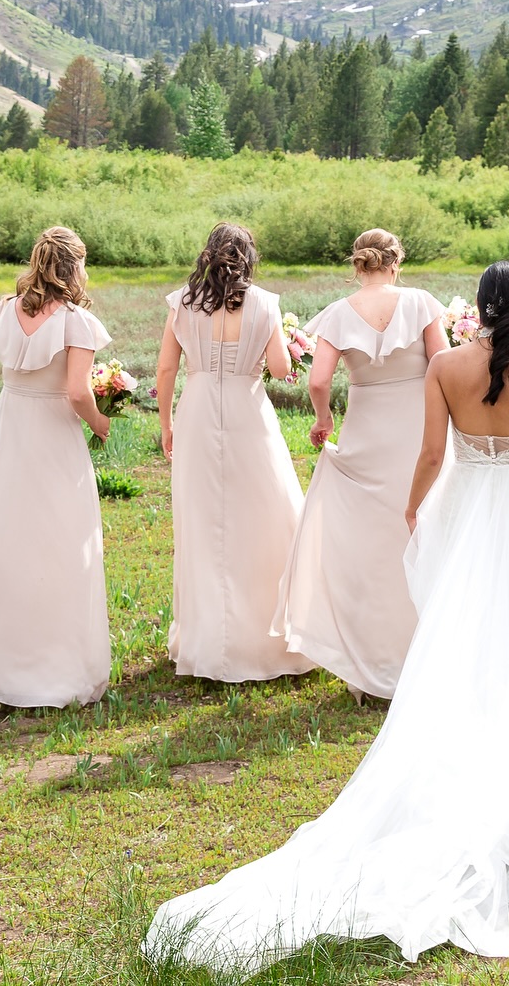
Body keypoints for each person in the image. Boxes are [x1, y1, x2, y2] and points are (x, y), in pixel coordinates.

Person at [144, 260, 509, 976]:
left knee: (462, 647)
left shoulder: (444, 369)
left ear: (481, 309)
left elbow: (432, 454)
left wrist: (413, 508)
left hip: (466, 512)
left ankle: (480, 772)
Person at [0, 227, 113, 709]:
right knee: (58, 538)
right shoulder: (76, 322)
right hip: (53, 433)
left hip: (11, 427)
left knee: (2, 533)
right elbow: (78, 393)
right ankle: (49, 664)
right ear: (75, 267)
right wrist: (101, 423)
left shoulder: (7, 308)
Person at [274, 229, 448, 698]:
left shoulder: (337, 313)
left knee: (371, 548)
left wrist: (324, 418)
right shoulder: (421, 302)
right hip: (419, 430)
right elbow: (444, 365)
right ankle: (424, 656)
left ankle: (372, 663)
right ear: (396, 262)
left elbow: (317, 380)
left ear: (358, 266)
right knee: (423, 534)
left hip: (366, 432)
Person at [157, 223, 312, 682]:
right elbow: (282, 367)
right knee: (266, 515)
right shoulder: (265, 303)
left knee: (202, 522)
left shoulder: (182, 302)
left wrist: (165, 422)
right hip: (248, 411)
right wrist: (290, 348)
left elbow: (167, 367)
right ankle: (267, 635)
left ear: (208, 254)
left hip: (198, 410)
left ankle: (206, 639)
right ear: (248, 257)